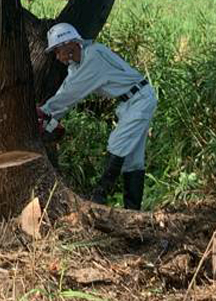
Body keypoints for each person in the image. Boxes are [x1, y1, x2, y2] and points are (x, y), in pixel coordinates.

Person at [37, 22, 155, 210]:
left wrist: (46, 112)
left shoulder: (94, 56)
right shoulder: (77, 65)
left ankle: (98, 198)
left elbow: (73, 92)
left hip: (139, 100)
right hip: (130, 102)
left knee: (116, 143)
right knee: (133, 161)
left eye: (57, 51)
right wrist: (50, 116)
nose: (57, 57)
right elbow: (68, 88)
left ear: (70, 44)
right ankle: (133, 211)